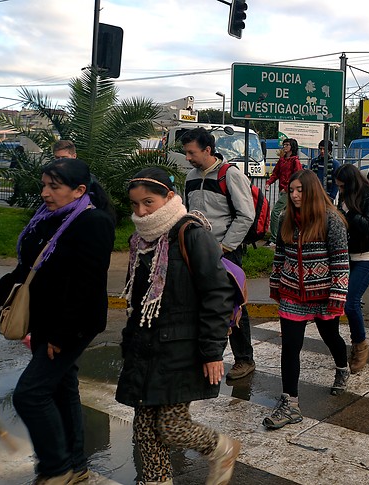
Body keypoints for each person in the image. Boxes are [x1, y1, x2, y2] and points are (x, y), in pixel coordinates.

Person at [0, 158, 116, 484]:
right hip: (45, 317)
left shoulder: (92, 222)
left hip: (71, 323)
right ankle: (76, 466)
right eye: (44, 185)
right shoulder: (51, 219)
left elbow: (87, 284)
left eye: (54, 186)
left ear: (79, 190)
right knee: (61, 389)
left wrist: (61, 335)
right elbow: (28, 269)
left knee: (30, 394)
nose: (45, 193)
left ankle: (57, 468)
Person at [118, 167, 240, 485]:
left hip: (181, 348)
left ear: (169, 197)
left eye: (149, 202)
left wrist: (213, 352)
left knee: (172, 425)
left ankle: (222, 448)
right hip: (147, 348)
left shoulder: (191, 233)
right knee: (144, 428)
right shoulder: (142, 240)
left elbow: (217, 294)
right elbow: (140, 300)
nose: (141, 211)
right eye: (135, 205)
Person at [265, 169, 350, 430]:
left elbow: (340, 261)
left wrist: (337, 295)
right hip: (292, 293)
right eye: (291, 190)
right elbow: (280, 254)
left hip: (323, 294)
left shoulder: (331, 219)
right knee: (291, 346)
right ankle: (290, 403)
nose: (295, 195)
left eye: (300, 190)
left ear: (312, 191)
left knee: (331, 337)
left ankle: (342, 367)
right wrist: (276, 283)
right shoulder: (285, 217)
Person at [182, 127, 257, 381]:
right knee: (202, 304)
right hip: (197, 252)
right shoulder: (190, 176)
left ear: (207, 150)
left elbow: (246, 215)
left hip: (226, 252)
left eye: (192, 152)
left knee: (233, 306)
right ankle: (206, 355)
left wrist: (224, 247)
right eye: (186, 152)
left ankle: (244, 358)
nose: (188, 158)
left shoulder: (230, 175)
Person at [334, 163, 369, 373]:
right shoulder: (345, 197)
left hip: (368, 255)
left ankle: (360, 345)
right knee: (341, 300)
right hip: (348, 255)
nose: (341, 191)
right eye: (339, 187)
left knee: (351, 301)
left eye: (343, 187)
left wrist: (349, 212)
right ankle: (350, 345)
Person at [267, 138, 304, 239]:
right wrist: (268, 183)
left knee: (275, 212)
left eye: (287, 145)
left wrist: (287, 188)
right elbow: (275, 173)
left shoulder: (295, 161)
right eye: (284, 145)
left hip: (289, 191)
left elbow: (297, 176)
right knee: (288, 215)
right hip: (283, 190)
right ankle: (287, 235)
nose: (285, 147)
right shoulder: (282, 160)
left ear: (292, 147)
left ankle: (274, 238)